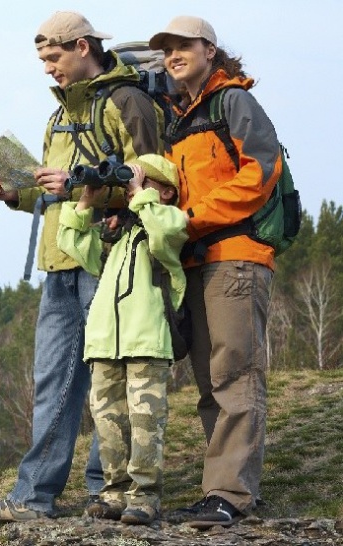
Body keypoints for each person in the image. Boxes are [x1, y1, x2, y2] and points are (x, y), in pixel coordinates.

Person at [0, 11, 165, 523]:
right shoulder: (57, 115)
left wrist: (78, 186)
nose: (47, 69)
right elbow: (49, 187)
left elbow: (158, 186)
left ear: (82, 47)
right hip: (59, 261)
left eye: (52, 57)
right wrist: (14, 192)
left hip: (109, 259)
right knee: (53, 382)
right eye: (42, 60)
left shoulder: (129, 103)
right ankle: (42, 496)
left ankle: (102, 492)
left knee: (106, 381)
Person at [148, 16, 282, 528]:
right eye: (167, 50)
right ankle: (220, 492)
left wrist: (193, 217)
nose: (173, 55)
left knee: (234, 375)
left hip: (235, 255)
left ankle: (231, 494)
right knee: (209, 380)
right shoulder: (181, 118)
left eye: (183, 46)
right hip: (197, 261)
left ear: (209, 48)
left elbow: (261, 169)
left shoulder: (235, 102)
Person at [56, 154, 187, 525]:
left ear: (166, 192)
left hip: (147, 343)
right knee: (109, 421)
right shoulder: (118, 236)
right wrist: (87, 200)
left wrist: (140, 194)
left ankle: (145, 496)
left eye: (145, 184)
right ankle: (114, 493)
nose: (134, 192)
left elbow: (163, 231)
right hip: (104, 345)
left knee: (146, 421)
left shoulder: (170, 225)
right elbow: (71, 242)